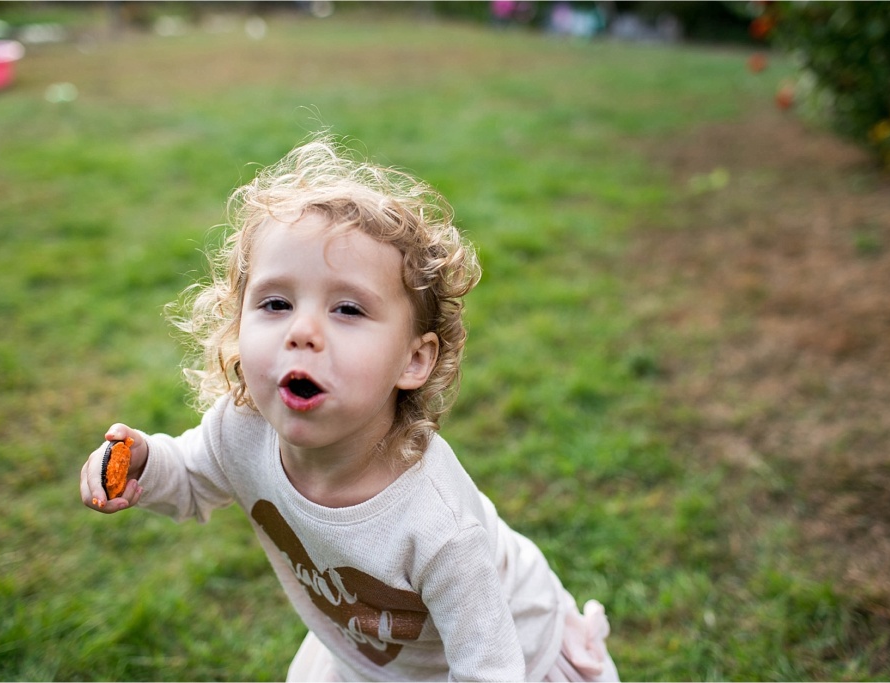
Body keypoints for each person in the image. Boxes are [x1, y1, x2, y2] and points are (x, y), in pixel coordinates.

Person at [79, 137, 619, 682]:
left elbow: (488, 668)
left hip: (510, 654)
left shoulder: (438, 525)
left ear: (413, 359)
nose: (303, 331)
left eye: (347, 309)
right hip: (364, 656)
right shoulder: (243, 428)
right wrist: (144, 462)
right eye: (275, 303)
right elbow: (192, 477)